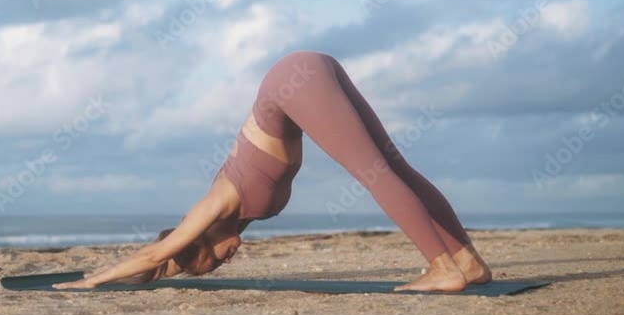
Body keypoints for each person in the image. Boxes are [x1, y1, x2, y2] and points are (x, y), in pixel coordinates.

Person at [55, 51, 492, 292]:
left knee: (376, 173)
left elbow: (157, 253)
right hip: (308, 72)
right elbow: (161, 263)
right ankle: (467, 262)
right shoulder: (233, 214)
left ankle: (443, 267)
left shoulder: (217, 201)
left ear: (200, 238)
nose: (230, 258)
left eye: (216, 259)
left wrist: (92, 280)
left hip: (294, 81)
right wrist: (162, 273)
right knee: (395, 169)